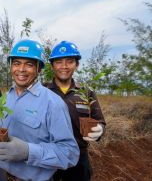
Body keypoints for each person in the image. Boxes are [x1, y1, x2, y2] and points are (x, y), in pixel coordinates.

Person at [0, 39, 80, 181]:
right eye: (17, 63)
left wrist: (28, 152)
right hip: (2, 173)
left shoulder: (53, 103)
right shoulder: (4, 98)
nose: (21, 69)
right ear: (11, 66)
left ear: (39, 69)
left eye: (29, 64)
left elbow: (69, 153)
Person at [45, 41, 106, 181]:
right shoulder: (43, 91)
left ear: (76, 65)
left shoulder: (87, 92)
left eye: (70, 61)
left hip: (79, 157)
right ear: (52, 65)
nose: (64, 66)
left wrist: (100, 130)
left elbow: (100, 121)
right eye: (59, 62)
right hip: (49, 156)